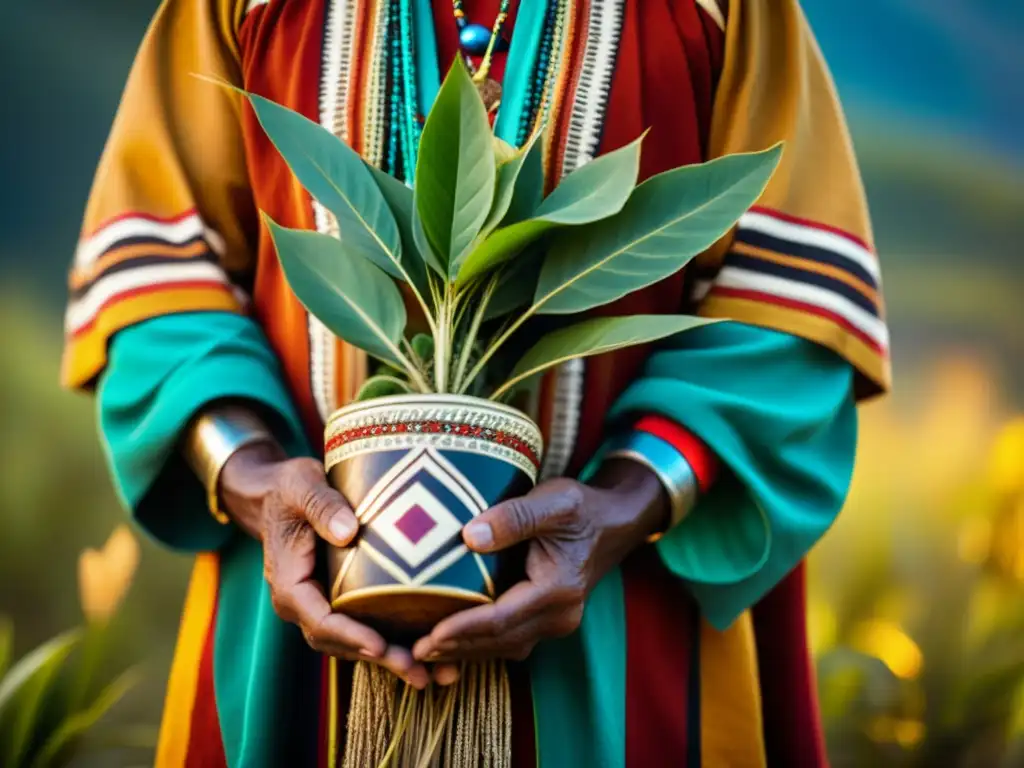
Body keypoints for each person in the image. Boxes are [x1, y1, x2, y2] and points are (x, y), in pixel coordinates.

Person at [62, 0, 890, 764]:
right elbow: (158, 270)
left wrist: (626, 506)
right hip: (297, 618)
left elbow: (791, 302)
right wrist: (251, 478)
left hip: (622, 626)